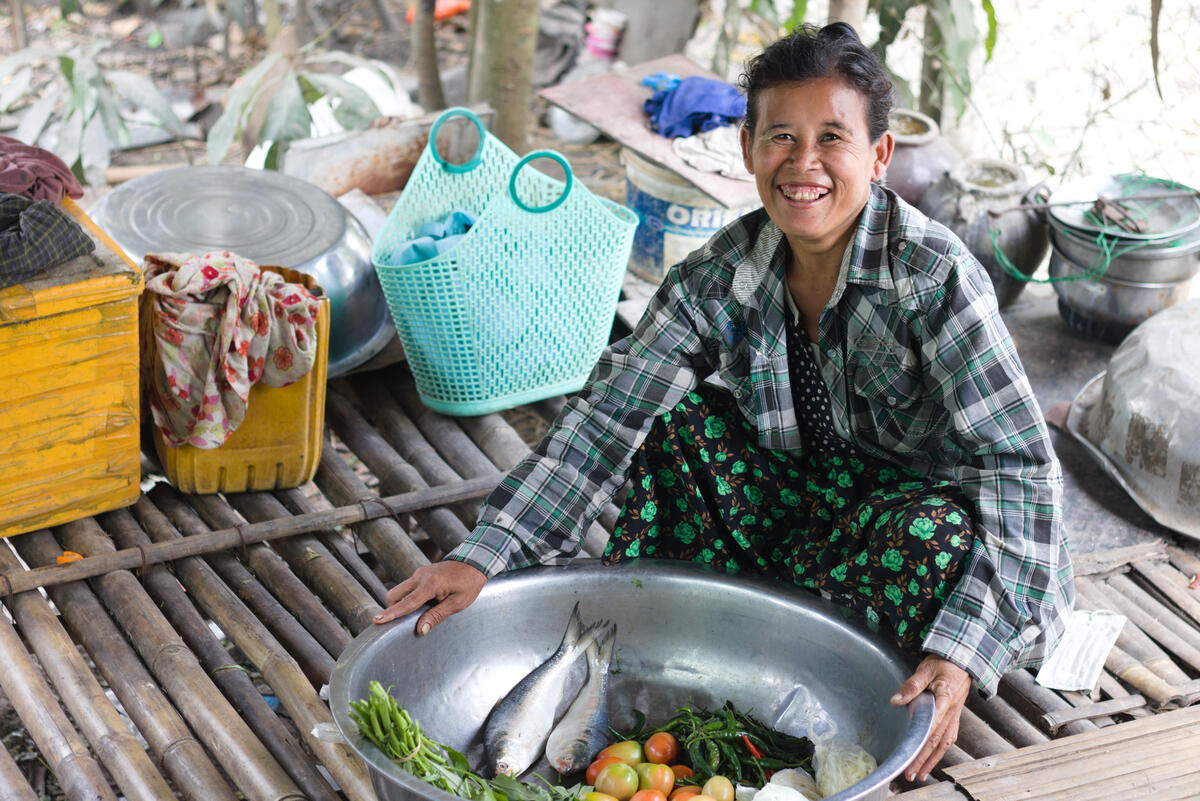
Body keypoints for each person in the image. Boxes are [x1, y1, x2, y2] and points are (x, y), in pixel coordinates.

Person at [374, 22, 1074, 783]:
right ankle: (722, 640)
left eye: (831, 138)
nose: (803, 163)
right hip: (806, 512)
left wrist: (962, 649)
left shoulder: (934, 279)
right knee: (675, 425)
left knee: (934, 535)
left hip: (910, 524)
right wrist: (488, 552)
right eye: (781, 136)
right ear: (747, 150)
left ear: (878, 157)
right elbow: (608, 417)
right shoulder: (721, 272)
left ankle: (865, 676)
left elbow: (1022, 473)